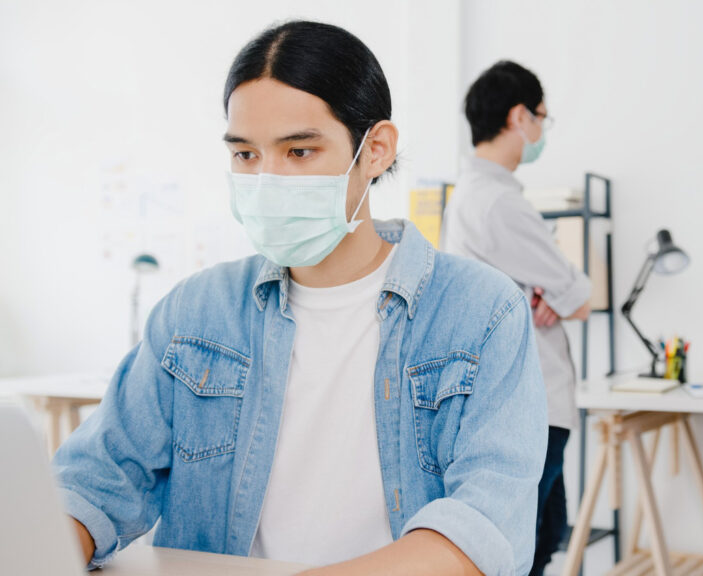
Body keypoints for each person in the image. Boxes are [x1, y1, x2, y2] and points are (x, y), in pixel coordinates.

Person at [52, 21, 547, 576]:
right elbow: (94, 483)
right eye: (245, 156)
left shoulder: (481, 313)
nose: (268, 180)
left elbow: (482, 531)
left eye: (300, 151)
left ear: (376, 149)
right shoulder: (196, 311)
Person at [441, 60, 591, 576]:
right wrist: (562, 289)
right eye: (542, 117)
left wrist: (555, 288)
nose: (542, 130)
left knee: (543, 537)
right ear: (519, 116)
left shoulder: (477, 196)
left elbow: (561, 290)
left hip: (527, 402)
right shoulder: (499, 204)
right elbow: (580, 298)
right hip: (533, 403)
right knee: (527, 546)